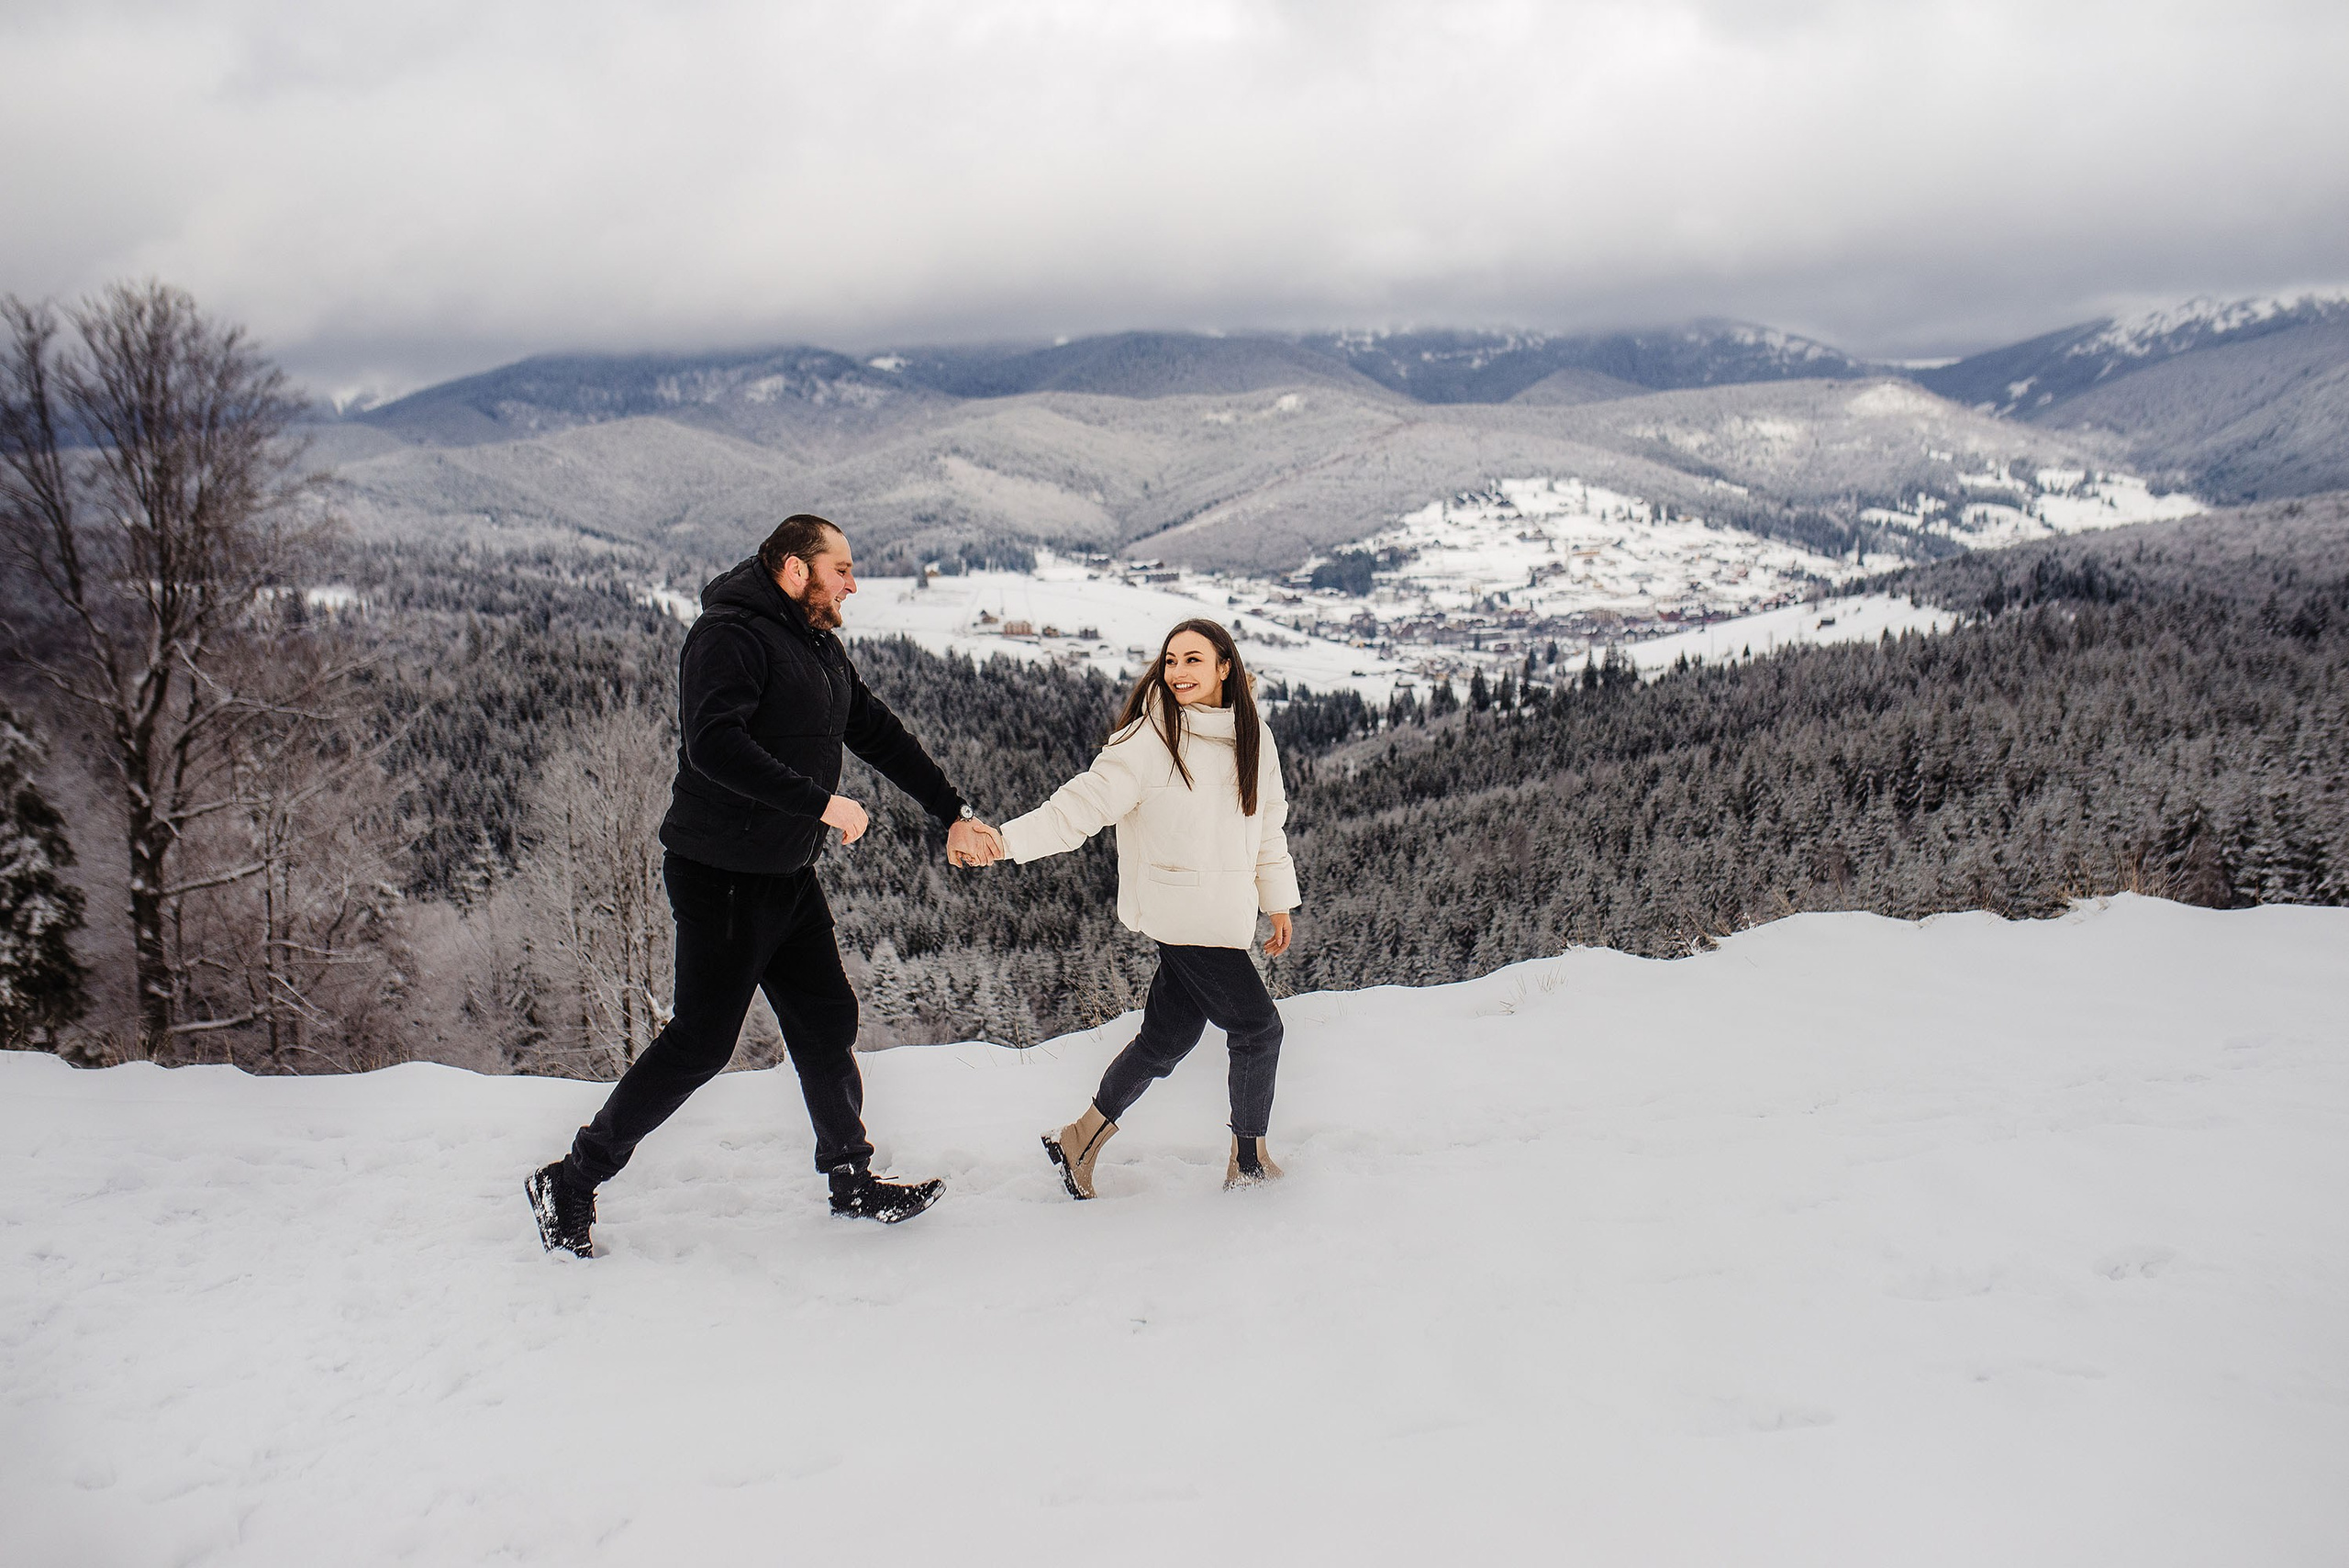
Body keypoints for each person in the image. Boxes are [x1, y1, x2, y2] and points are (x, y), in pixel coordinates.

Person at [526, 514, 1005, 1257]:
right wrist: (822, 803)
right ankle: (573, 1177)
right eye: (840, 568)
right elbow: (714, 744)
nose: (853, 582)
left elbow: (875, 730)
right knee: (700, 1042)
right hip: (720, 874)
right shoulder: (729, 636)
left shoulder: (816, 641)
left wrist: (954, 811)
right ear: (794, 569)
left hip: (785, 870)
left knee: (824, 1019)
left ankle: (851, 1177)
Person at [996, 617, 1300, 1197]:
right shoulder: (1149, 739)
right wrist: (1006, 841)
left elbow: (1267, 825)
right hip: (1184, 916)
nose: (1178, 672)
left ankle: (1077, 1138)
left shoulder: (1253, 735)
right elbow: (1079, 807)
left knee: (1166, 1040)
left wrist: (1277, 901)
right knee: (1259, 1029)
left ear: (1224, 668)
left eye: (1192, 660)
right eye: (1170, 661)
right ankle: (1250, 1161)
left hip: (1224, 912)